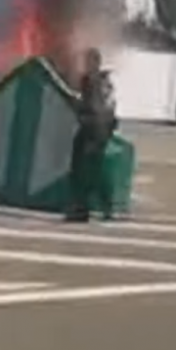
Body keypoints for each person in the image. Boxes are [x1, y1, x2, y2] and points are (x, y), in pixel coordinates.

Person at [66, 47, 118, 222]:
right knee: (96, 170)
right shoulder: (105, 82)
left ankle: (81, 208)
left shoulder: (91, 81)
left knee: (84, 171)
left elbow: (93, 106)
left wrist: (77, 106)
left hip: (91, 129)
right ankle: (105, 207)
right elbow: (109, 106)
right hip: (101, 130)